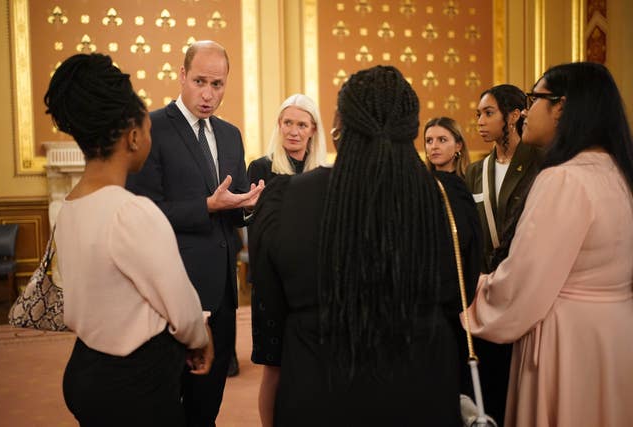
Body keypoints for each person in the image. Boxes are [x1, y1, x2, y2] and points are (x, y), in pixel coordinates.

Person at [250, 65, 481, 426]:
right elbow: (460, 296)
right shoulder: (446, 200)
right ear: (412, 129)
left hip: (319, 390)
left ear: (339, 127)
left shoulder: (290, 199)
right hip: (422, 391)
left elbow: (270, 305)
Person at [46, 53, 213, 426]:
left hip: (85, 367)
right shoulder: (131, 212)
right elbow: (182, 310)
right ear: (134, 137)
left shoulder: (71, 206)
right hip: (134, 381)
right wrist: (201, 337)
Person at [465, 62, 633, 426]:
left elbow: (523, 284)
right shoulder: (615, 171)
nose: (526, 110)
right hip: (615, 333)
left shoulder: (563, 179)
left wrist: (471, 292)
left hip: (568, 342)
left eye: (534, 98)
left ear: (562, 107)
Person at [126, 40, 264, 426]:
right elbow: (143, 214)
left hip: (221, 292)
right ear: (182, 75)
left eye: (217, 84)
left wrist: (247, 208)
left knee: (208, 403)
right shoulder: (151, 127)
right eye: (200, 81)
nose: (208, 93)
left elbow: (231, 216)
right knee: (167, 403)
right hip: (169, 291)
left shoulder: (231, 134)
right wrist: (206, 207)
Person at [463, 84, 542, 425]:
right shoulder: (476, 171)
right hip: (486, 286)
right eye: (478, 114)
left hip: (524, 284)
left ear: (514, 115)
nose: (480, 121)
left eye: (488, 113)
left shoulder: (540, 163)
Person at [247, 93, 327, 184]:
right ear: (280, 124)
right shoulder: (260, 168)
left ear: (313, 130)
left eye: (302, 125)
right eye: (288, 123)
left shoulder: (322, 174)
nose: (293, 132)